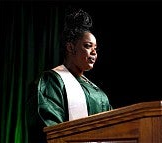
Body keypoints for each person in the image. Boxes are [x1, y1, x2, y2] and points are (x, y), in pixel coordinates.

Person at [25, 8, 113, 143]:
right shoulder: (52, 82)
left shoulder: (98, 92)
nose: (94, 52)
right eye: (88, 46)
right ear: (70, 47)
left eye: (95, 48)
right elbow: (48, 131)